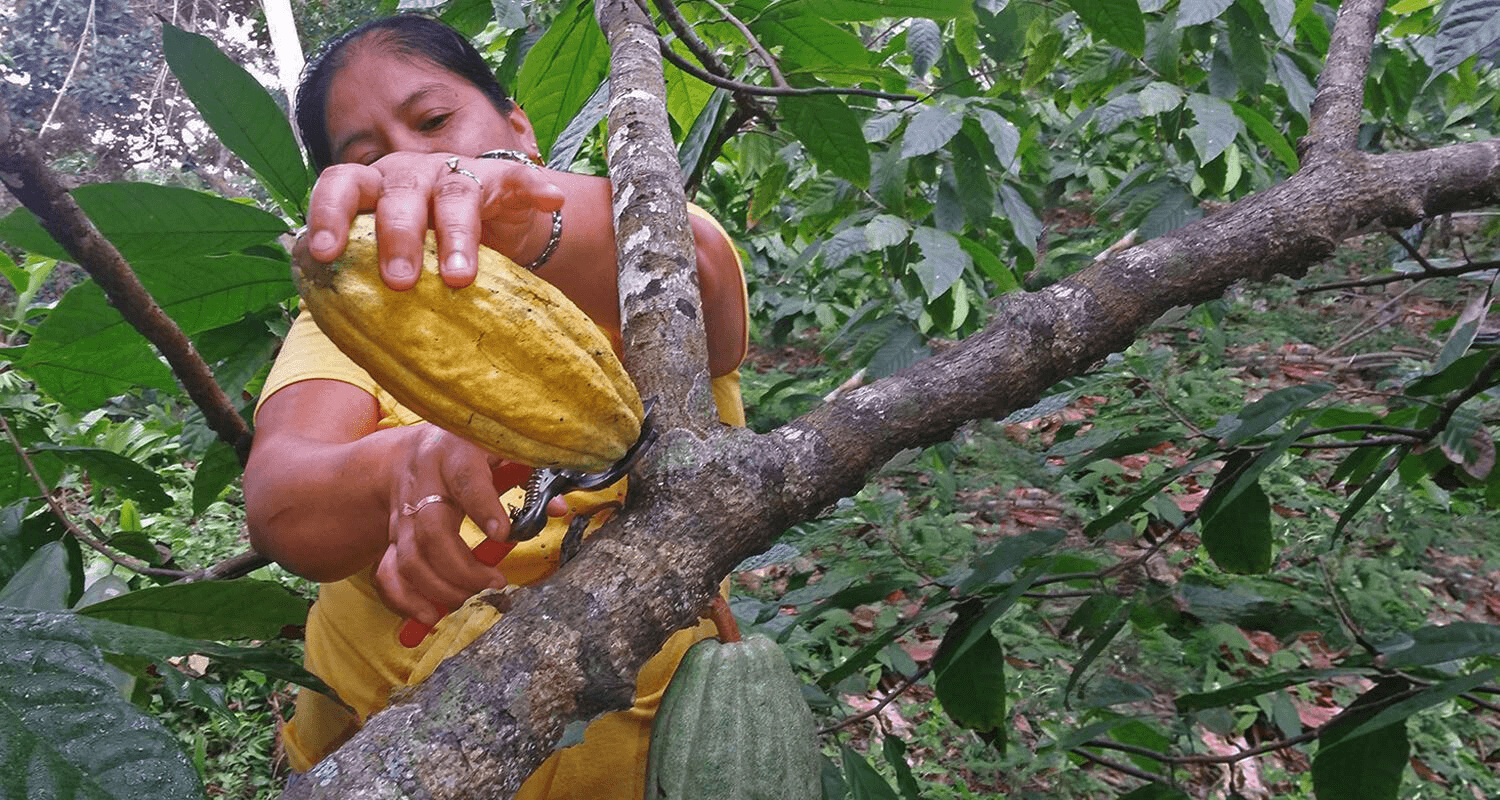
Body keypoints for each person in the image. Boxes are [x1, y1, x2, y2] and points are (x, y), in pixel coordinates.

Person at [241, 13, 749, 796]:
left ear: (519, 124)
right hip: (368, 744)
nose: (416, 160)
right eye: (369, 157)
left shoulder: (636, 244)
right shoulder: (349, 309)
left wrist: (525, 222)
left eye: (435, 120)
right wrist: (399, 465)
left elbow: (697, 268)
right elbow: (283, 505)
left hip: (618, 758)